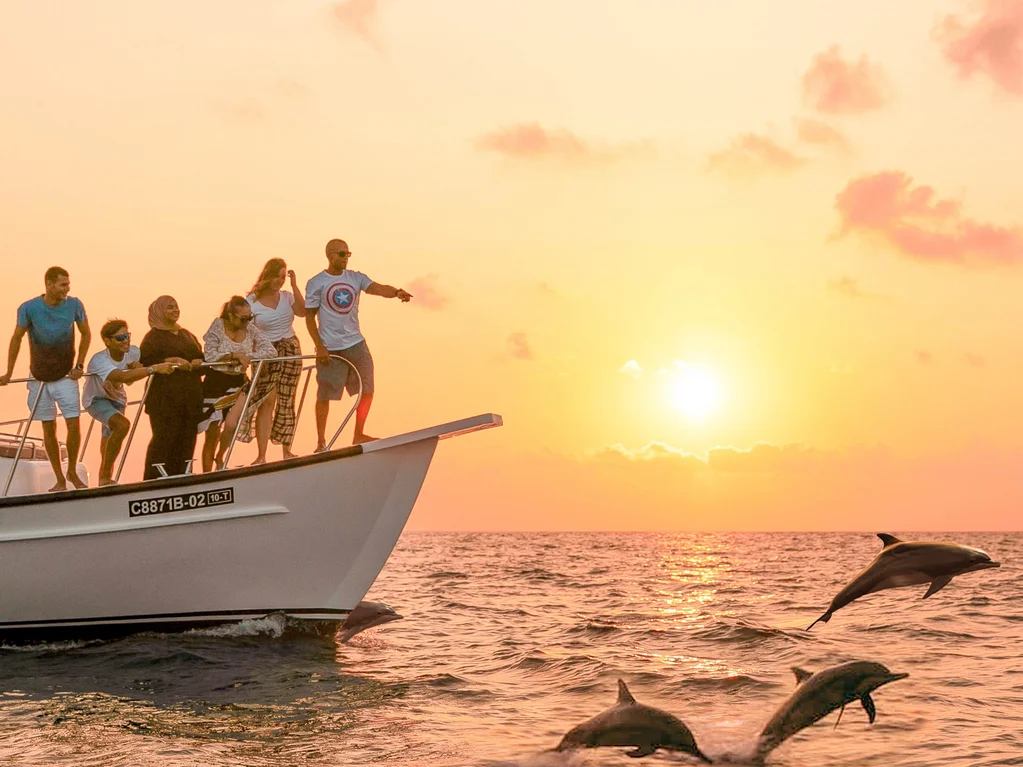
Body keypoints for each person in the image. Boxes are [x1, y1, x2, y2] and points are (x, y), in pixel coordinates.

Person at [305, 238, 412, 449]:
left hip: (356, 343)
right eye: (341, 254)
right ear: (330, 255)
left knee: (368, 388)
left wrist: (396, 292)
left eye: (348, 254)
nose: (346, 258)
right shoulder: (316, 282)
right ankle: (321, 442)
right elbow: (309, 317)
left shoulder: (355, 277)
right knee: (325, 395)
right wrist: (319, 346)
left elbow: (378, 288)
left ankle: (359, 434)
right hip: (330, 347)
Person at [0, 266, 91, 491]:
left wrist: (80, 365)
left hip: (65, 374)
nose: (67, 289)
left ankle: (71, 471)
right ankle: (60, 479)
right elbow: (16, 338)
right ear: (49, 284)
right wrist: (9, 372)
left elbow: (86, 333)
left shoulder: (75, 305)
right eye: (63, 284)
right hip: (38, 376)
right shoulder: (29, 308)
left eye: (68, 284)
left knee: (73, 423)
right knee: (48, 427)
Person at [83, 320, 175, 486]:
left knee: (108, 439)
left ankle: (104, 480)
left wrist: (176, 361)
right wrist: (153, 369)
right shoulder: (99, 360)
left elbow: (135, 375)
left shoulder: (133, 352)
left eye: (127, 336)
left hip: (117, 399)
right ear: (107, 341)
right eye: (120, 338)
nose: (125, 340)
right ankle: (105, 477)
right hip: (96, 399)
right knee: (122, 425)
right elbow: (122, 377)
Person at [200, 296, 276, 472]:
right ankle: (207, 474)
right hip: (215, 382)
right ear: (230, 316)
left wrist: (248, 357)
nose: (247, 322)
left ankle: (220, 456)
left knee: (231, 424)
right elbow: (210, 355)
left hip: (238, 382)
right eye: (243, 318)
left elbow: (270, 351)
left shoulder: (250, 329)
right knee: (212, 433)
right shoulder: (217, 326)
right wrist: (233, 356)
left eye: (250, 317)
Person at [245, 258, 306, 463]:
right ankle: (261, 455)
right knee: (267, 400)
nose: (280, 281)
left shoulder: (287, 296)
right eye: (277, 277)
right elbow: (245, 331)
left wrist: (294, 285)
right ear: (268, 276)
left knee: (287, 398)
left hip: (290, 348)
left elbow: (302, 312)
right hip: (266, 352)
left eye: (283, 277)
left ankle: (287, 450)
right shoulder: (251, 301)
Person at [139, 296, 205, 480]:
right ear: (159, 311)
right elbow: (146, 363)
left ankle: (182, 477)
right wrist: (171, 360)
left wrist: (198, 361)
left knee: (187, 439)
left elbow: (201, 356)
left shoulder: (187, 334)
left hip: (190, 396)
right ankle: (154, 480)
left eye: (176, 306)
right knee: (164, 439)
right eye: (170, 307)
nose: (175, 310)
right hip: (164, 399)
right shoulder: (152, 337)